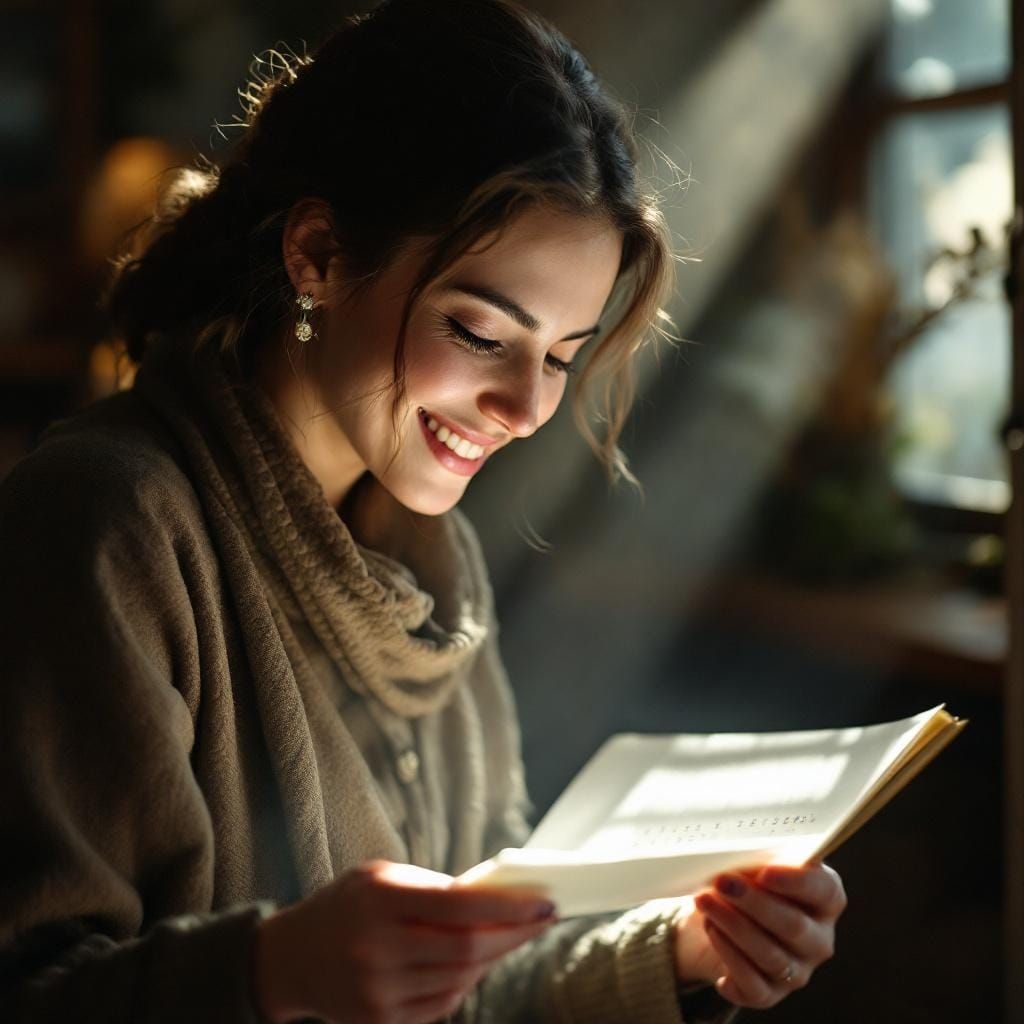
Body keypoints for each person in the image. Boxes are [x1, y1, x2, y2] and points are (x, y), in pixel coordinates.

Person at [0, 1, 847, 1022]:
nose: (526, 410)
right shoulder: (108, 524)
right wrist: (271, 972)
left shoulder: (434, 572)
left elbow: (479, 983)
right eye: (482, 334)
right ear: (317, 253)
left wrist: (683, 950)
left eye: (560, 358)